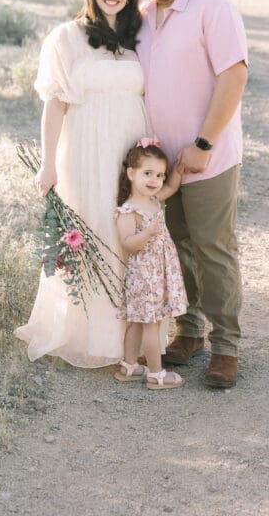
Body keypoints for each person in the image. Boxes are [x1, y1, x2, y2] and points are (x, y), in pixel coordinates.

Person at [15, 0, 151, 367]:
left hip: (129, 149)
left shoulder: (137, 38)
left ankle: (130, 341)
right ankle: (86, 334)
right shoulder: (67, 36)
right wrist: (47, 163)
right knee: (92, 226)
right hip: (84, 148)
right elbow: (54, 105)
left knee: (126, 233)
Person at [132, 0, 248, 389]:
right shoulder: (143, 16)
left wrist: (202, 145)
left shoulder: (213, 8)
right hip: (161, 163)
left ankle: (226, 348)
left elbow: (233, 77)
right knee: (177, 246)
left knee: (213, 249)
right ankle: (190, 330)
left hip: (207, 156)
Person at [114, 138, 187, 390]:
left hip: (156, 272)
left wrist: (176, 172)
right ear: (131, 174)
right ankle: (156, 374)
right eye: (148, 173)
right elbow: (127, 242)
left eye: (159, 175)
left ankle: (129, 366)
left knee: (137, 321)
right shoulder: (129, 210)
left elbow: (171, 189)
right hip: (144, 275)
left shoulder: (154, 199)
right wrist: (147, 233)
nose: (155, 180)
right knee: (150, 324)